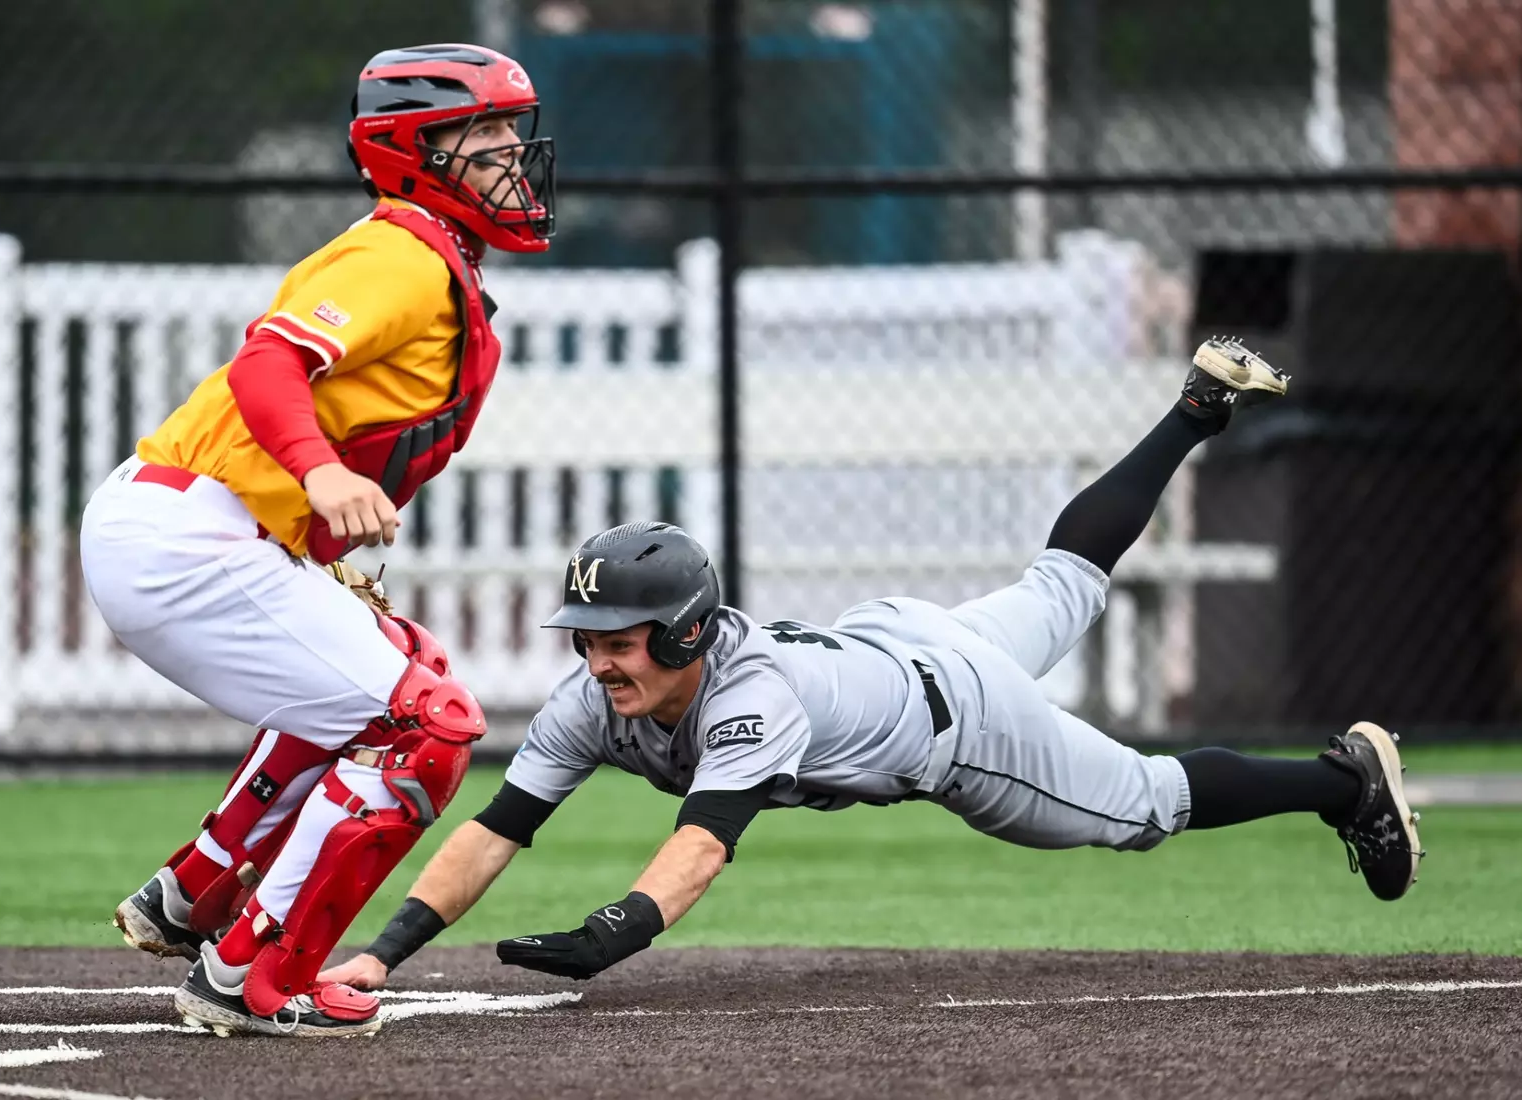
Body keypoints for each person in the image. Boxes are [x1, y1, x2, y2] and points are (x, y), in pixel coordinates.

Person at [319, 338, 1423, 990]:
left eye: (620, 639)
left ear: (691, 632)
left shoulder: (744, 697)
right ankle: (1192, 409)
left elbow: (699, 848)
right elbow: (494, 826)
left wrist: (605, 937)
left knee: (1142, 804)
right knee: (1062, 579)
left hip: (960, 725)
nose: (599, 661)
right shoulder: (592, 697)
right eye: (590, 639)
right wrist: (387, 948)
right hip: (895, 639)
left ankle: (1342, 781)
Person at [80, 43, 555, 1036]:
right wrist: (322, 472)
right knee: (426, 726)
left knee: (398, 669)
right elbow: (268, 364)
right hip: (189, 534)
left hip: (192, 524)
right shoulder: (401, 253)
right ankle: (254, 974)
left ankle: (198, 890)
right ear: (410, 151)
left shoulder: (430, 260)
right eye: (482, 133)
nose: (511, 152)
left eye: (514, 130)